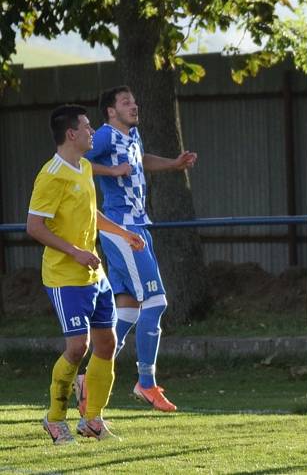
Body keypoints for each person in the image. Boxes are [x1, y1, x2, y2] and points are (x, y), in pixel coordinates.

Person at [73, 85, 197, 414]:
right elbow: (76, 162)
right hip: (121, 228)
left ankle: (88, 378)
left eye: (134, 100)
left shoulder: (132, 136)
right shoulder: (102, 136)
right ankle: (145, 382)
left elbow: (142, 160)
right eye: (126, 102)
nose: (134, 105)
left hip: (139, 227)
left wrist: (173, 164)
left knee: (127, 311)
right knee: (156, 303)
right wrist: (111, 171)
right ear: (110, 111)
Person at [28, 104, 145, 444]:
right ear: (71, 134)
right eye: (88, 126)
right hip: (65, 277)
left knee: (106, 344)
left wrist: (122, 233)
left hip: (94, 273)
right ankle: (54, 419)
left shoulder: (83, 167)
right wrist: (75, 252)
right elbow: (34, 226)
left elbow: (90, 212)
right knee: (78, 347)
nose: (93, 131)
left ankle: (92, 419)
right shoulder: (51, 175)